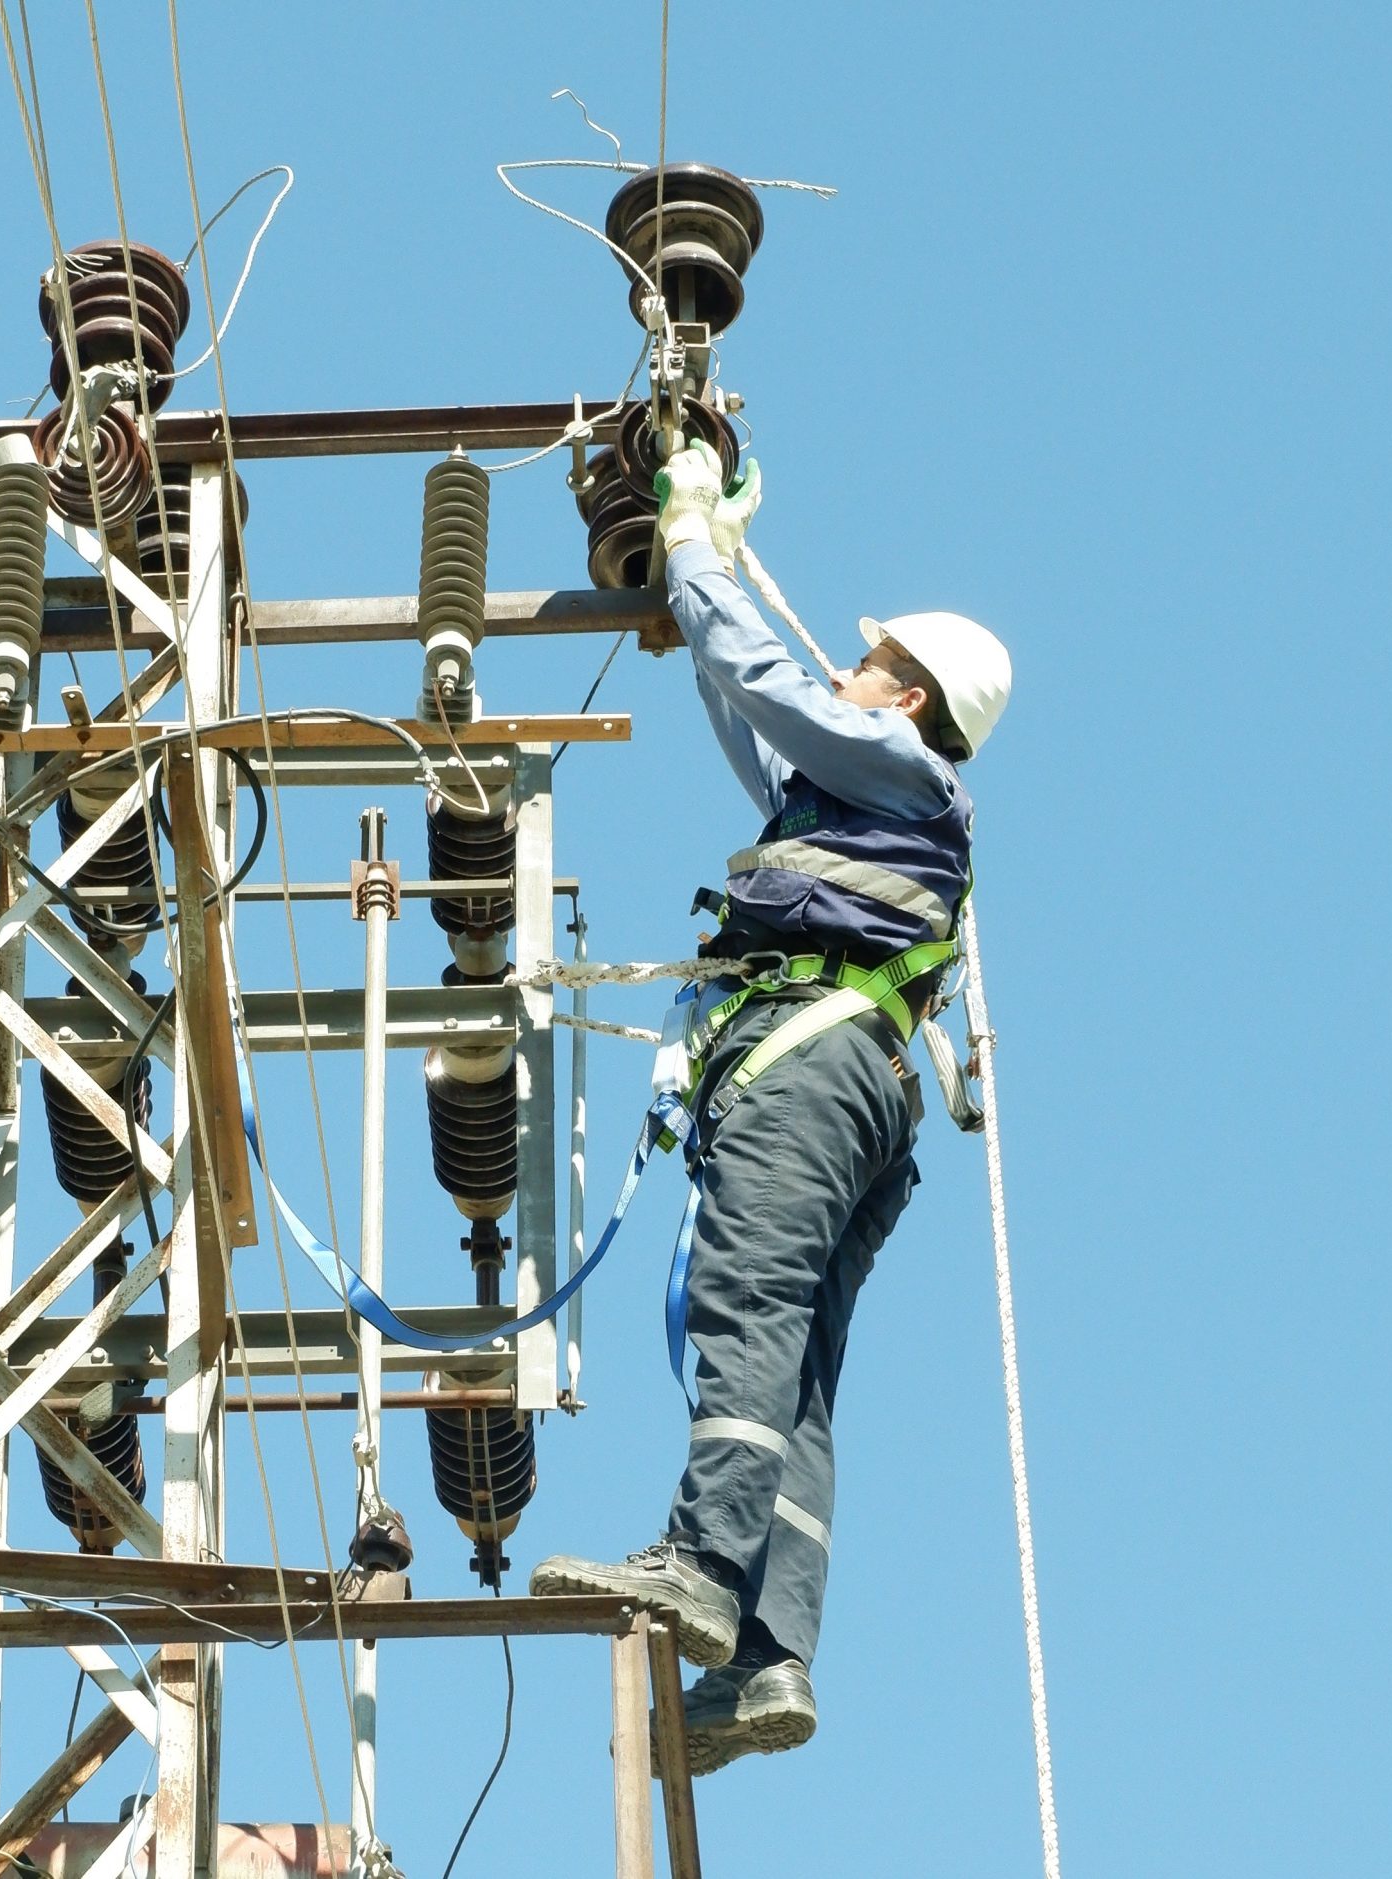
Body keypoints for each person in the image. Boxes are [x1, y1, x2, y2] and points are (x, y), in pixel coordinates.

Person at [530, 440, 1012, 1776]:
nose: (844, 675)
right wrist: (705, 576)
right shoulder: (860, 798)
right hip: (860, 1091)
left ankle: (698, 1565)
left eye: (866, 668)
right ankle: (764, 1660)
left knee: (744, 1308)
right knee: (792, 1366)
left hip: (812, 1072)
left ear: (903, 693)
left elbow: (769, 683)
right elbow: (745, 703)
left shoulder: (897, 766)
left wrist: (690, 544)